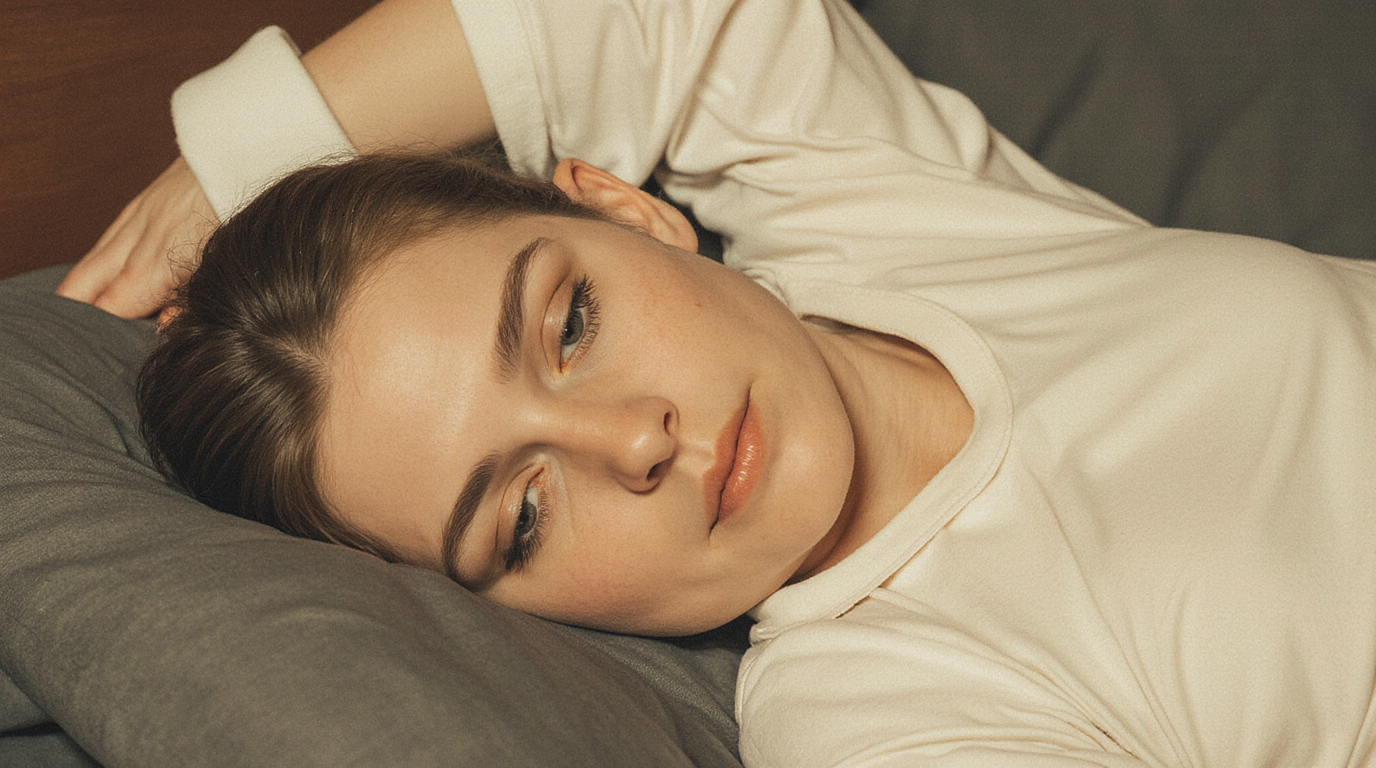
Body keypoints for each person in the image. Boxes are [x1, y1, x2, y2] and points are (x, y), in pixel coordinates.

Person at [59, 0, 1376, 765]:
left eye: (570, 321)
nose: (630, 441)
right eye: (519, 516)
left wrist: (230, 161)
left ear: (628, 212)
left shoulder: (882, 216)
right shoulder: (869, 714)